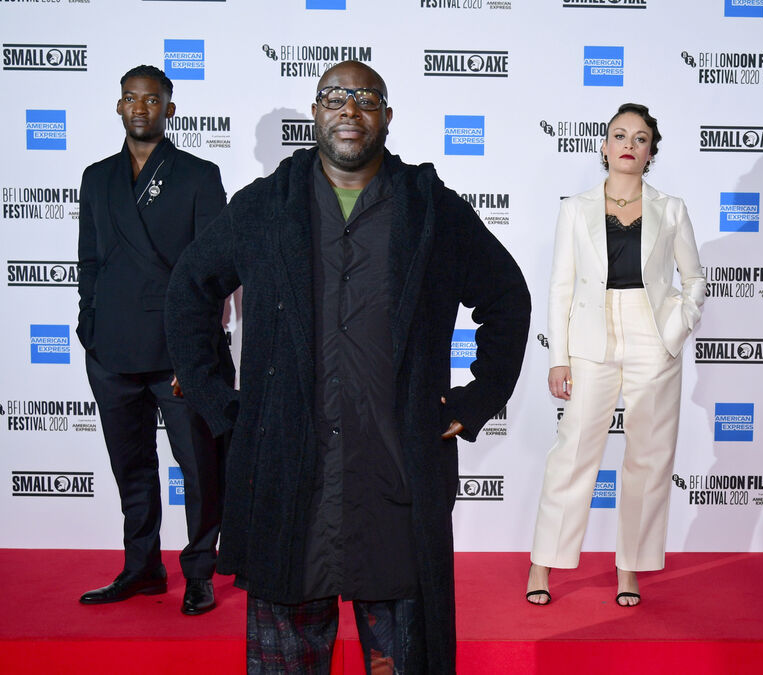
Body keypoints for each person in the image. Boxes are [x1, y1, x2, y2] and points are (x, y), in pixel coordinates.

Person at [165, 60, 530, 673]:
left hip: (394, 477)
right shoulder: (265, 206)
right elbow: (188, 290)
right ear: (316, 112)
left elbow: (507, 299)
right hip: (289, 479)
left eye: (366, 99)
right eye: (334, 97)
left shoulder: (429, 210)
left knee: (406, 658)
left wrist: (474, 401)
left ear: (387, 116)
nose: (349, 110)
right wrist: (219, 400)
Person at [526, 103, 704, 608]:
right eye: (619, 135)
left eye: (640, 138)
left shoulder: (671, 208)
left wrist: (676, 328)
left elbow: (694, 278)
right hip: (590, 336)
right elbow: (560, 287)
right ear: (604, 147)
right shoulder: (575, 208)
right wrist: (558, 357)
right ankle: (543, 562)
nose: (629, 144)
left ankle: (630, 568)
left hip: (653, 335)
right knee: (574, 450)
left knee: (648, 456)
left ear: (650, 152)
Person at [77, 64, 232, 616]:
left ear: (169, 108)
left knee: (199, 467)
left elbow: (214, 269)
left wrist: (193, 353)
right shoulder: (97, 177)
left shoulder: (198, 175)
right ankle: (141, 567)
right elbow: (88, 260)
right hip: (111, 349)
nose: (139, 107)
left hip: (177, 352)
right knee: (132, 466)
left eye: (151, 99)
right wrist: (89, 327)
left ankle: (199, 571)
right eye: (130, 98)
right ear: (118, 106)